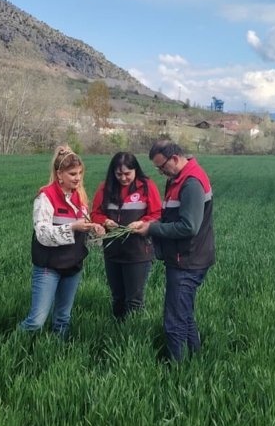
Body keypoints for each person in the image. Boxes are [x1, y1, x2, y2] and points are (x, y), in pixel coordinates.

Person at [128, 140, 215, 362]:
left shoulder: (191, 183)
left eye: (161, 166)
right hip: (183, 258)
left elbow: (189, 226)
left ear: (175, 159)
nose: (159, 171)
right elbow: (170, 216)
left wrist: (151, 228)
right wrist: (149, 224)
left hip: (187, 260)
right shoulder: (177, 178)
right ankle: (195, 361)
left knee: (174, 321)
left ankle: (178, 370)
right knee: (184, 315)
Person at [19, 145, 105, 339]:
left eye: (80, 173)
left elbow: (84, 232)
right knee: (36, 321)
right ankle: (9, 349)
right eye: (72, 173)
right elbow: (42, 233)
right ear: (60, 174)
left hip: (73, 265)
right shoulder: (45, 197)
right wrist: (72, 227)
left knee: (63, 319)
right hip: (49, 266)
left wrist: (96, 231)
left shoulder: (80, 198)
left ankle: (58, 356)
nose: (78, 178)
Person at [90, 152, 162, 321]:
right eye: (119, 174)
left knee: (134, 300)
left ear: (135, 170)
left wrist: (141, 223)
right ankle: (117, 329)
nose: (123, 178)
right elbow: (95, 213)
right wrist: (105, 221)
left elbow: (157, 213)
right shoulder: (105, 187)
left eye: (127, 173)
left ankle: (134, 334)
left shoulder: (146, 186)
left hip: (138, 251)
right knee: (118, 298)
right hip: (112, 251)